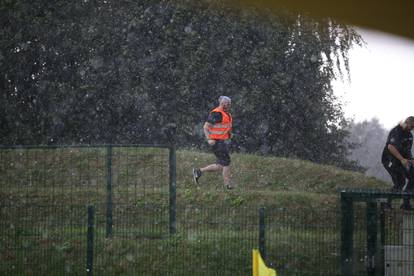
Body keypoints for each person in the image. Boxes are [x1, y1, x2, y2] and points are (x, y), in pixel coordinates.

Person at [192, 96, 234, 189]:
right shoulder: (216, 113)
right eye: (227, 104)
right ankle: (228, 185)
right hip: (216, 142)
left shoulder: (227, 114)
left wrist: (230, 134)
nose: (228, 105)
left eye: (229, 104)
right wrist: (209, 139)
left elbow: (225, 126)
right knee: (226, 162)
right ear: (222, 103)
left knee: (220, 166)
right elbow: (205, 127)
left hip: (222, 141)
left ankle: (199, 171)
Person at [381, 116, 414, 210]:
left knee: (413, 177)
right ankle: (387, 204)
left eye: (413, 128)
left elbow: (407, 150)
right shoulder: (397, 131)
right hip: (390, 160)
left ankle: (406, 204)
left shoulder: (409, 135)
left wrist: (411, 160)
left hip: (402, 160)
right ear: (406, 123)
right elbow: (390, 147)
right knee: (400, 182)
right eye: (411, 126)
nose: (412, 129)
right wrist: (402, 159)